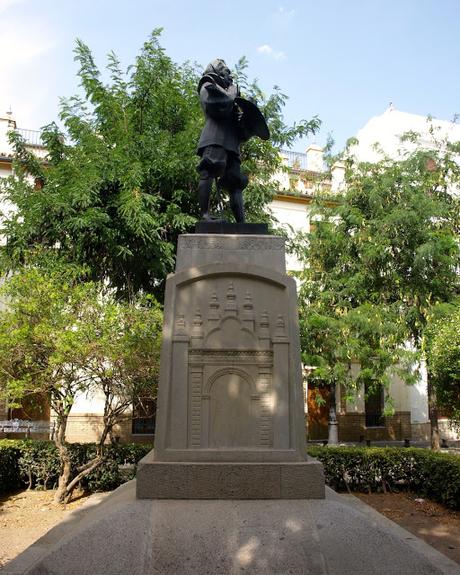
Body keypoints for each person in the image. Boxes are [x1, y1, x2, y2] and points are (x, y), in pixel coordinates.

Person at [196, 59, 249, 223]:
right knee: (209, 170)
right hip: (215, 137)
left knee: (235, 181)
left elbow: (241, 129)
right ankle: (204, 215)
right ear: (216, 70)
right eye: (226, 70)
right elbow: (213, 105)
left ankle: (241, 223)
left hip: (232, 142)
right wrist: (232, 94)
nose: (230, 74)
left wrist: (244, 117)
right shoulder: (207, 84)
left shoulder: (229, 92)